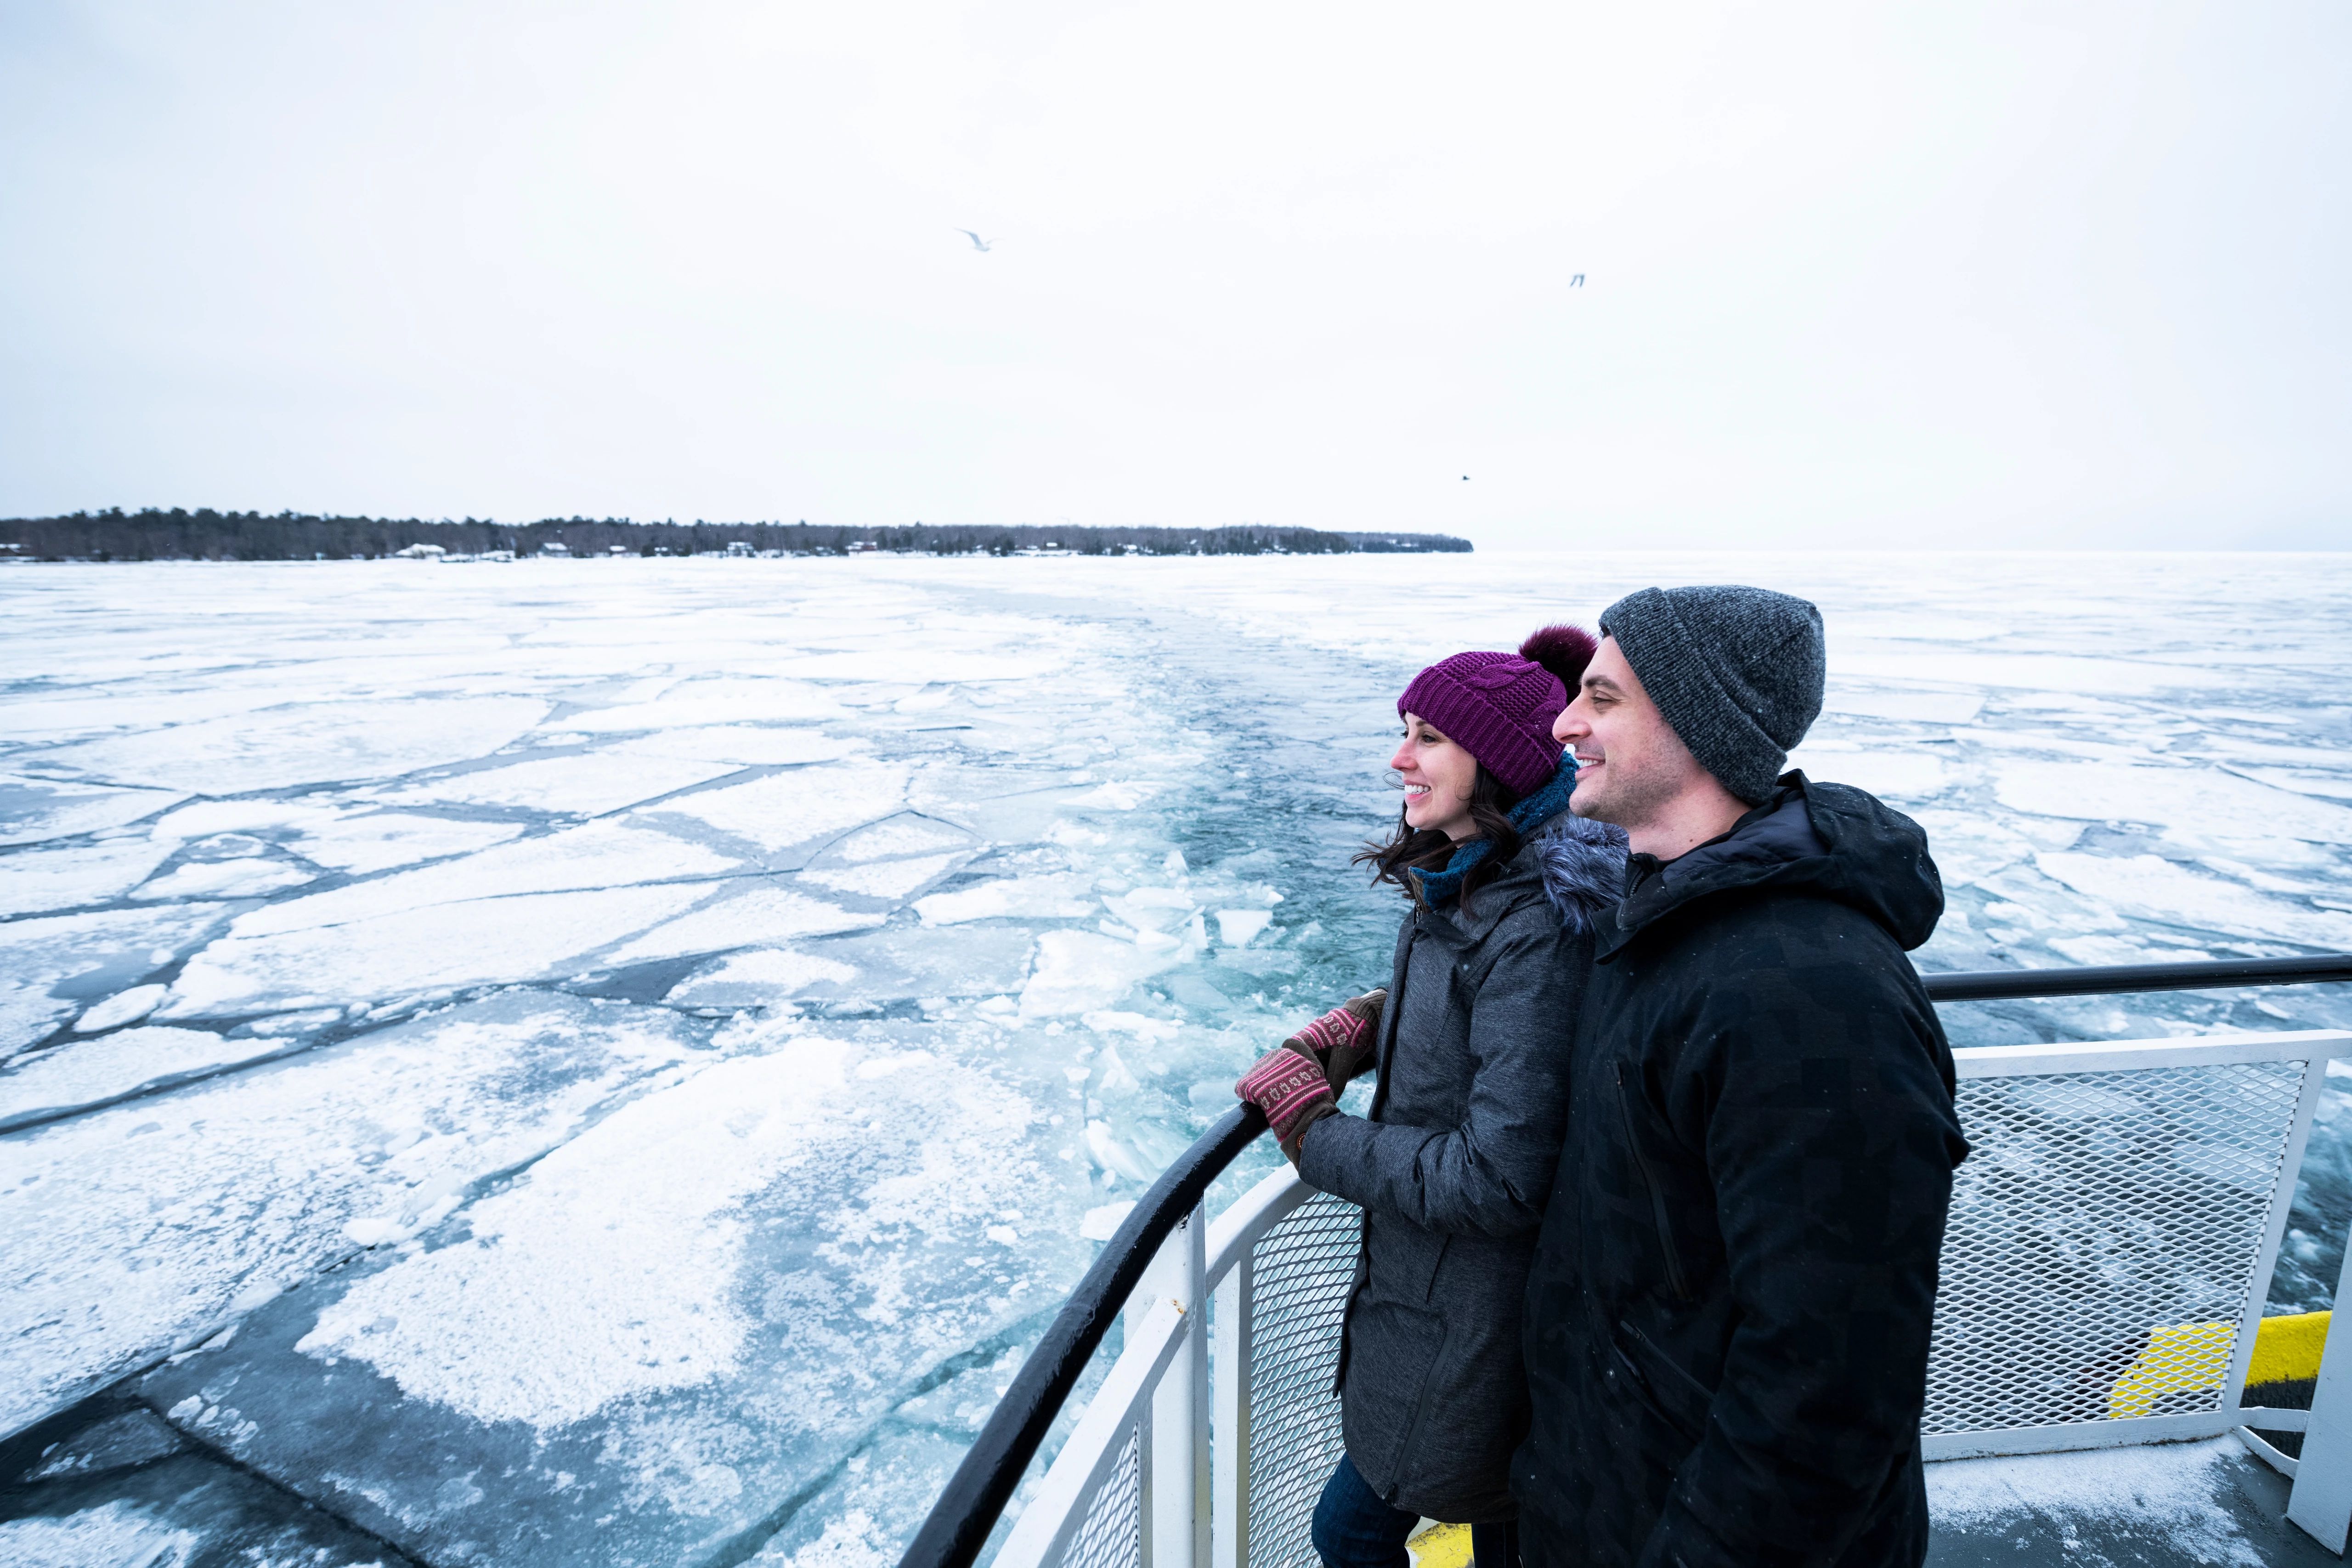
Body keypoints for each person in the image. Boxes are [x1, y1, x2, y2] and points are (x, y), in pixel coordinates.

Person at [1510, 586, 1970, 1568]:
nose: (1566, 721)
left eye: (1604, 697)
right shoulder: (1662, 922)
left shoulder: (1808, 997)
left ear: (1695, 722)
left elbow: (1830, 1382)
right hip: (1601, 1492)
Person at [1235, 627, 1628, 1568]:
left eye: (1428, 737)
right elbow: (1494, 1031)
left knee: (1355, 1530)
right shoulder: (1472, 882)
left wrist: (1309, 1129)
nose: (1398, 758)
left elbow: (1498, 1178)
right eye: (1404, 730)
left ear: (1494, 762)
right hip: (1449, 1302)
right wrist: (1379, 1016)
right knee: (1504, 1521)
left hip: (1484, 1313)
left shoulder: (1533, 923)